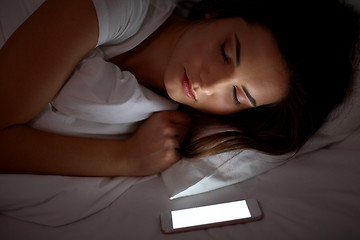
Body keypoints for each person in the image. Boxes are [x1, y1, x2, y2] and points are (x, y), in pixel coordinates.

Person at [0, 0, 358, 177]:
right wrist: (125, 160)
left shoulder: (165, 122)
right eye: (225, 52)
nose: (209, 84)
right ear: (216, 12)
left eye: (237, 96)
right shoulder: (113, 8)